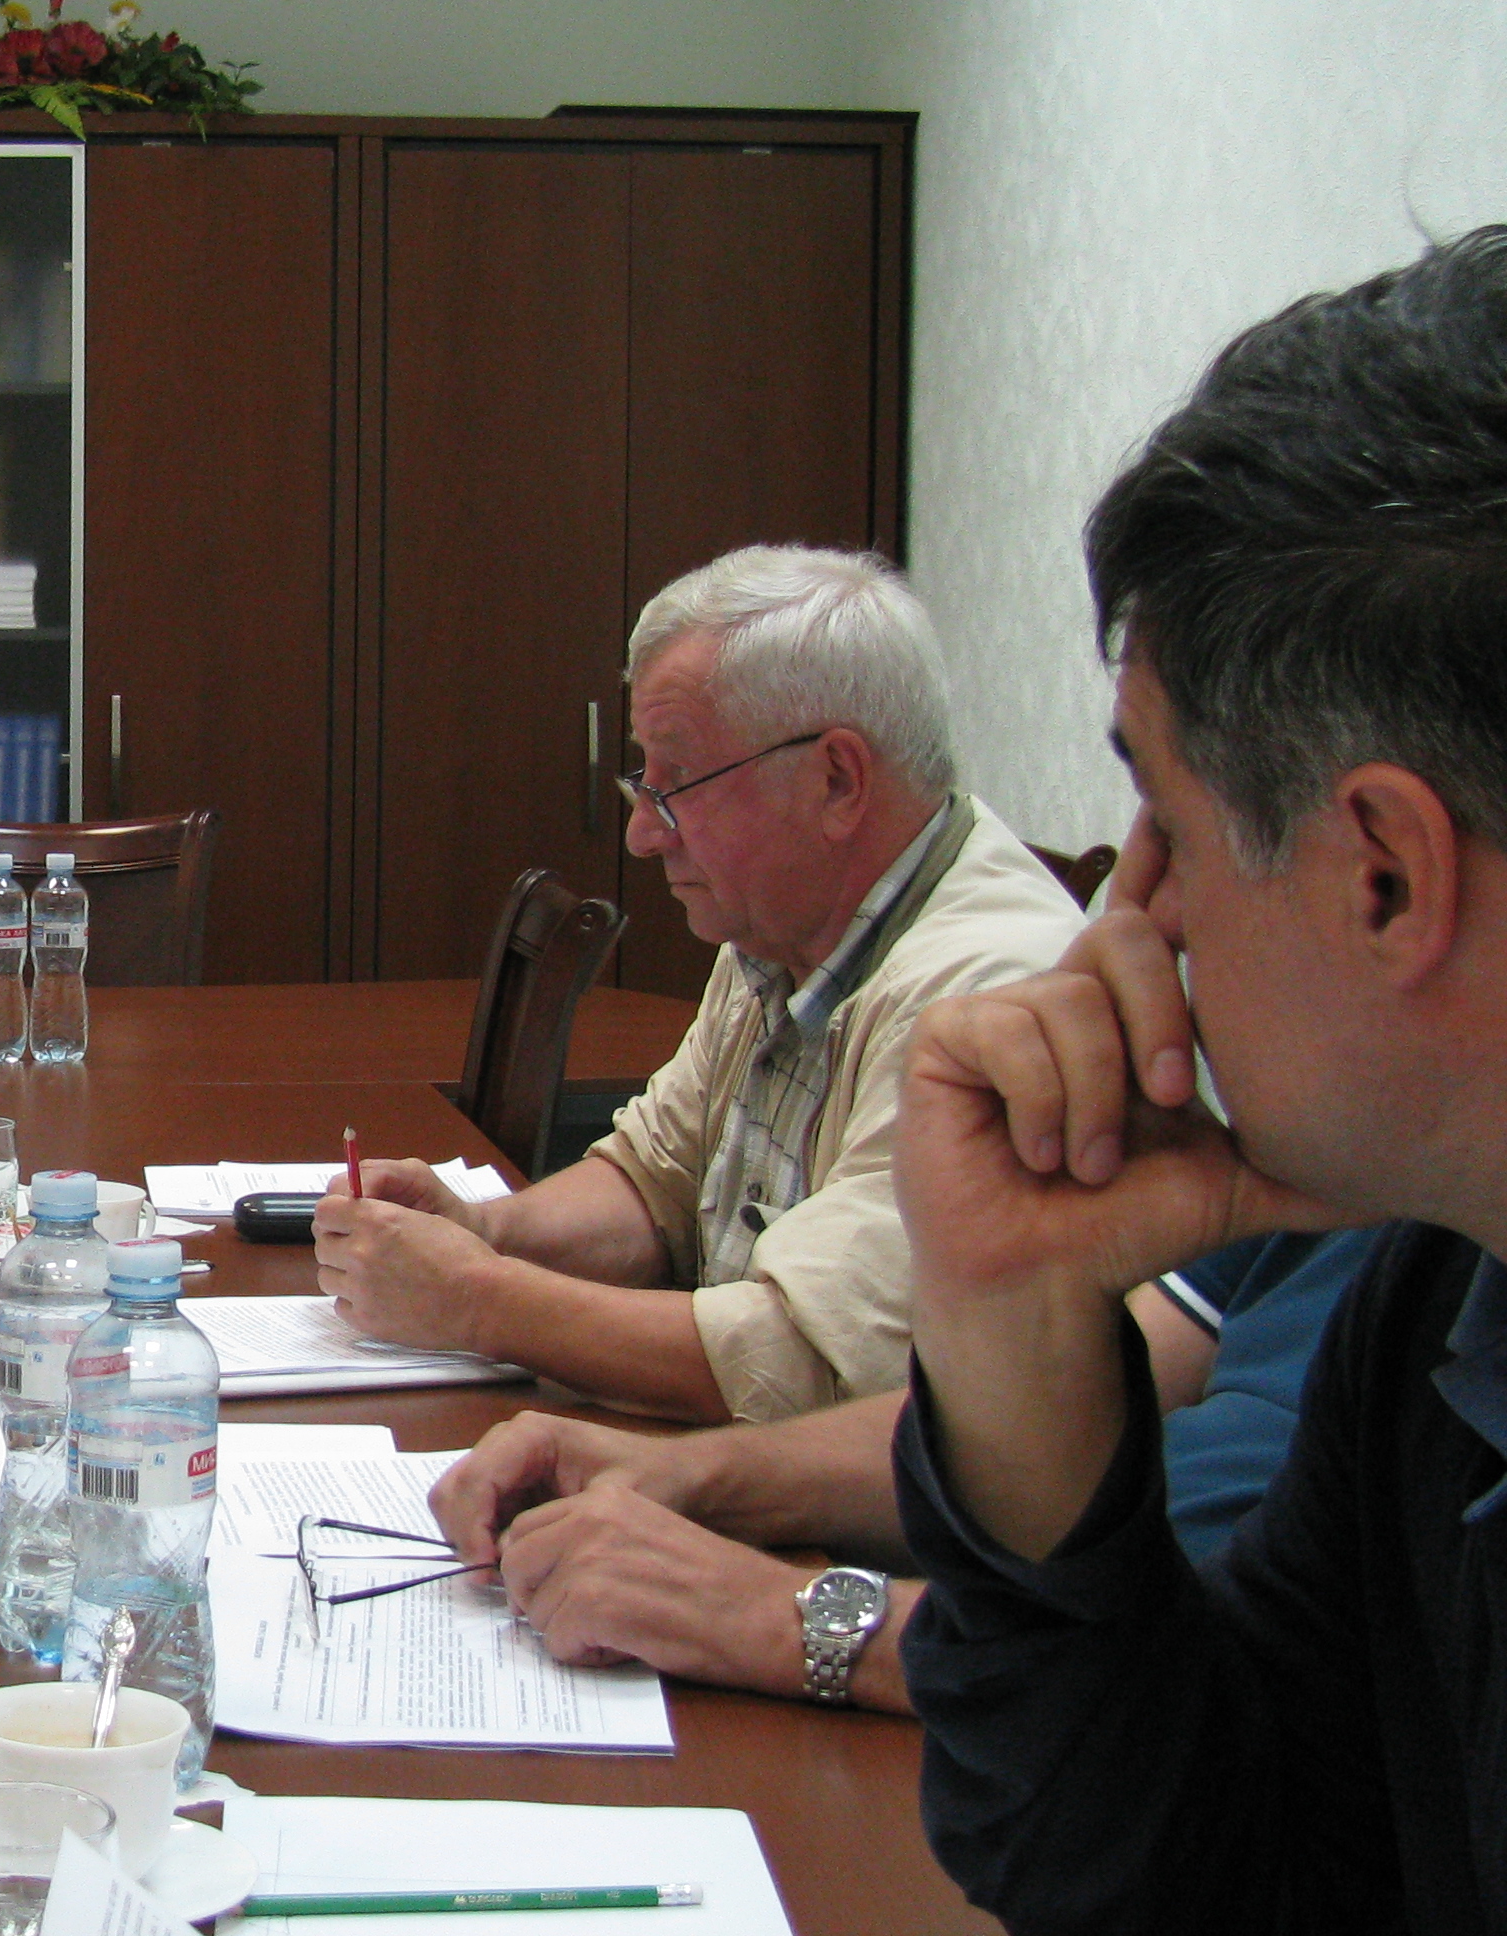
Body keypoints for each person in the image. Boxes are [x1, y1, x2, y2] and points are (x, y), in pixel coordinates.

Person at [889, 226, 1507, 1933]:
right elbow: (1188, 1880)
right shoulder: (1439, 1308)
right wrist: (1011, 1329)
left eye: (1163, 821)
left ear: (1383, 874)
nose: (1132, 912)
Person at [315, 546, 1087, 1423]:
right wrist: (479, 1230)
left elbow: (804, 1364)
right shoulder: (779, 921)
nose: (643, 835)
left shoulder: (993, 992)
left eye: (678, 783)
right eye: (643, 782)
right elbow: (658, 1181)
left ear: (838, 780)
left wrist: (478, 1299)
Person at [422, 1230, 1368, 1712]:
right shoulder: (1332, 1192)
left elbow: (1257, 1675)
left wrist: (784, 1618)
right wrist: (689, 1474)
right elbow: (1044, 1423)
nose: (1148, 932)